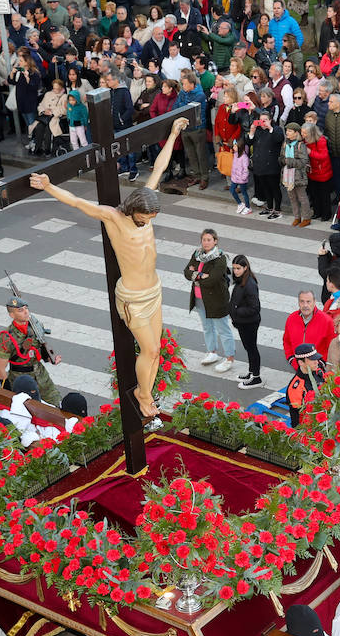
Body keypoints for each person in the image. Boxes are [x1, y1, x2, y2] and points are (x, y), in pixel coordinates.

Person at [31, 118, 191, 420]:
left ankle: (147, 390)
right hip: (132, 297)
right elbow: (78, 203)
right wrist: (49, 186)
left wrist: (172, 134)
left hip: (153, 290)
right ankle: (143, 395)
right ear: (135, 210)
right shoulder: (114, 218)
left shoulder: (147, 203)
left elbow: (158, 167)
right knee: (151, 351)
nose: (150, 220)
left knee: (155, 350)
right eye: (146, 217)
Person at [186, 229, 236, 373]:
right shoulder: (197, 254)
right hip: (200, 299)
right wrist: (202, 275)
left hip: (217, 300)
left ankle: (229, 358)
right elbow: (186, 272)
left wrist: (195, 274)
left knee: (223, 329)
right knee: (207, 327)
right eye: (204, 239)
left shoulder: (220, 258)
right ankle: (212, 352)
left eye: (209, 240)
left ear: (215, 241)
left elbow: (213, 279)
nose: (206, 242)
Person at [229, 256, 264, 390]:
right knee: (249, 348)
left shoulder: (249, 284)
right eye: (234, 268)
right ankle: (251, 372)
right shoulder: (241, 280)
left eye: (238, 268)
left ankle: (256, 377)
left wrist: (237, 311)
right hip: (243, 322)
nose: (235, 271)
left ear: (245, 268)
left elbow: (255, 308)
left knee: (252, 348)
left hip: (249, 323)